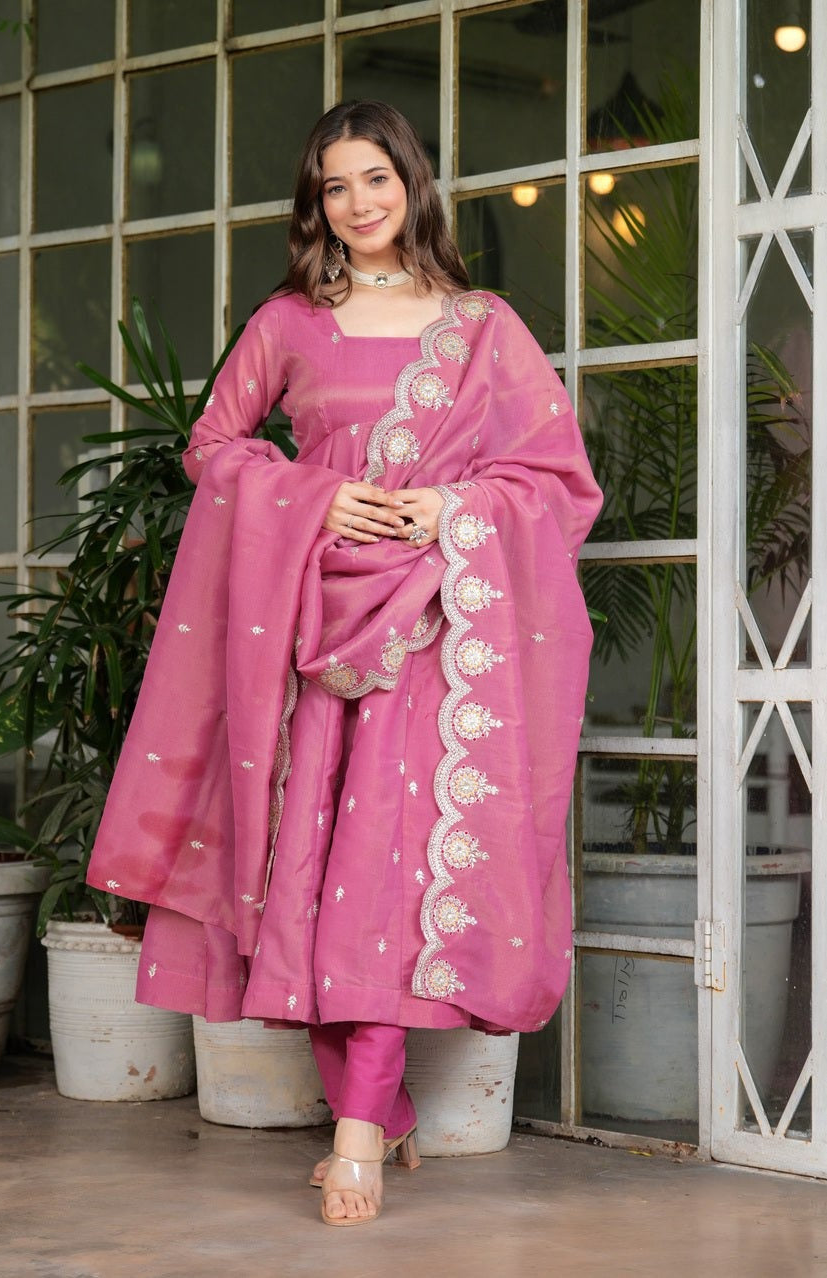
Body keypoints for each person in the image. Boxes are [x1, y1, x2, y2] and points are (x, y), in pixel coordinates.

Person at [87, 100, 602, 1227]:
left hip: (435, 641)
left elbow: (558, 484)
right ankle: (383, 1113)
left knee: (385, 877)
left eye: (376, 179)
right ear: (313, 203)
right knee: (309, 883)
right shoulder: (287, 322)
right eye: (334, 186)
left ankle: (358, 1134)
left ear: (412, 184)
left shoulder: (483, 326)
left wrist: (447, 511)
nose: (359, 204)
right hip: (310, 640)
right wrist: (320, 495)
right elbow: (214, 451)